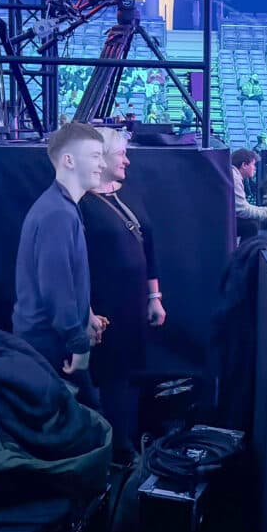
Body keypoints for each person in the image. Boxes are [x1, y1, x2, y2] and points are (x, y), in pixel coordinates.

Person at [80, 127, 166, 456]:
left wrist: (154, 297)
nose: (127, 161)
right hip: (105, 307)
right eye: (121, 155)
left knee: (129, 375)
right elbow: (76, 263)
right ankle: (117, 447)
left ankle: (126, 437)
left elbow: (149, 247)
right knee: (111, 377)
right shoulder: (82, 203)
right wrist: (86, 313)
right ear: (100, 158)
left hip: (134, 305)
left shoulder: (128, 192)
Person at [12, 122, 107, 409]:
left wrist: (86, 315)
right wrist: (78, 342)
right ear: (69, 160)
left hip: (51, 340)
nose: (102, 165)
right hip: (50, 346)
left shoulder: (61, 207)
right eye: (95, 156)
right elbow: (56, 289)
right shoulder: (58, 214)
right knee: (83, 422)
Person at [232, 149, 267, 240]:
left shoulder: (233, 174)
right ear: (244, 165)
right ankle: (246, 249)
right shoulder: (234, 178)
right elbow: (242, 210)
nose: (255, 168)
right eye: (253, 164)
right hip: (219, 223)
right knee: (252, 225)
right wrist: (266, 212)